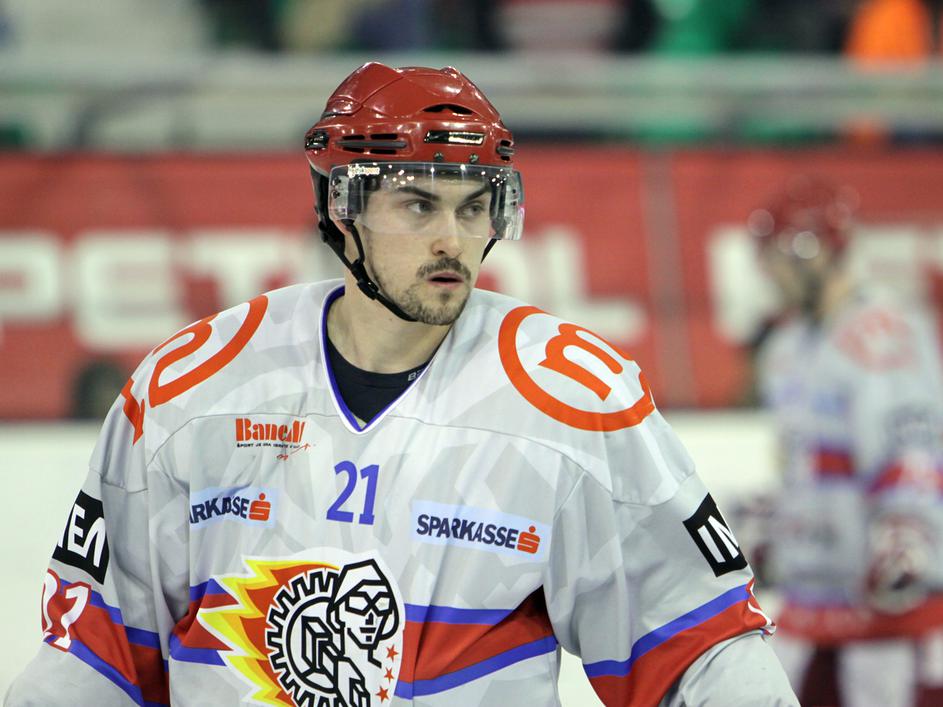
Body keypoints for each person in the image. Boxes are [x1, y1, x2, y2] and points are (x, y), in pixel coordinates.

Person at [6, 62, 797, 706]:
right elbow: (92, 659)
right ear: (340, 206)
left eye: (474, 207)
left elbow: (703, 651)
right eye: (418, 205)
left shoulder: (573, 400)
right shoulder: (190, 391)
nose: (452, 239)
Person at [748, 175, 943, 706]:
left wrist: (906, 531)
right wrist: (778, 520)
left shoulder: (880, 332)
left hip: (882, 612)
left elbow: (910, 444)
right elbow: (803, 464)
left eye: (780, 255)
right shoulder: (785, 346)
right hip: (811, 600)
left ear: (815, 252)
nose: (771, 271)